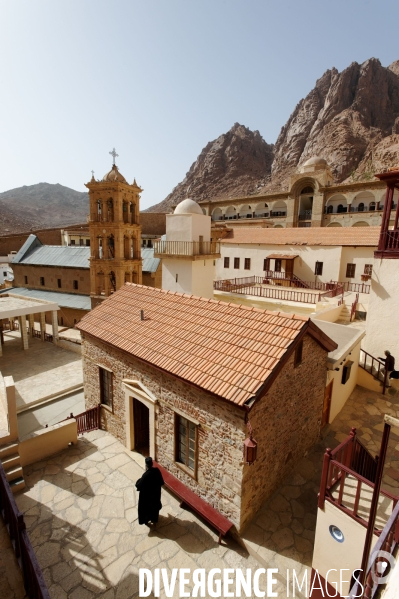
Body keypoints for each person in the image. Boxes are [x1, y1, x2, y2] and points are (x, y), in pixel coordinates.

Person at [135, 457, 164, 526]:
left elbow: (138, 485)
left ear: (146, 465)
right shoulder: (157, 471)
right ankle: (154, 519)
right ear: (152, 463)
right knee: (154, 508)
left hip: (147, 497)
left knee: (146, 509)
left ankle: (146, 520)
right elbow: (161, 482)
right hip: (155, 495)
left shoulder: (146, 475)